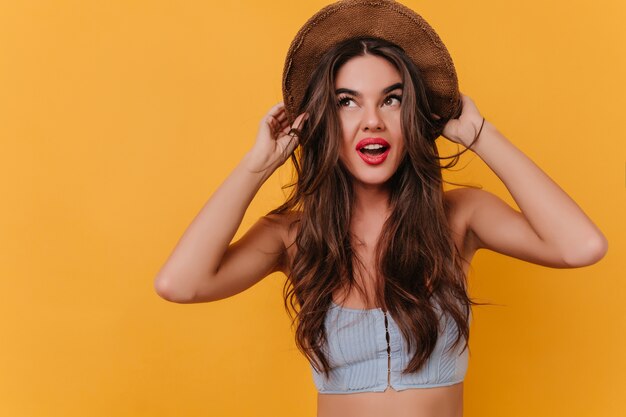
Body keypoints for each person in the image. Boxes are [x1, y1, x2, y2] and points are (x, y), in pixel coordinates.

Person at [153, 1, 608, 416]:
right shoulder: (292, 236)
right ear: (323, 120)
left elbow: (581, 246)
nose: (373, 119)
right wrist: (256, 166)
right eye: (347, 102)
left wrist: (480, 134)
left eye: (392, 99)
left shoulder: (461, 216)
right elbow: (179, 284)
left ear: (412, 115)